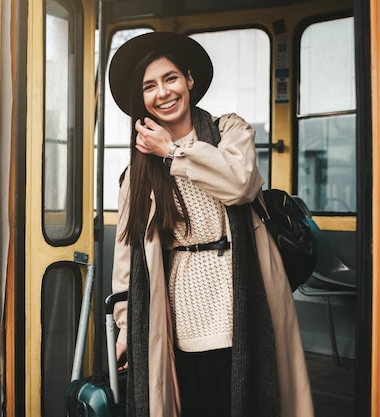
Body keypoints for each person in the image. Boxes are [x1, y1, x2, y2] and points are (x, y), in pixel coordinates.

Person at [108, 31, 313, 417]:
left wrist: (171, 151)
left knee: (244, 399)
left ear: (189, 79)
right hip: (177, 314)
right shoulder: (136, 173)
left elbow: (240, 184)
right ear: (142, 100)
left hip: (242, 300)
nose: (163, 93)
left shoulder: (228, 131)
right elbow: (126, 257)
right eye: (149, 86)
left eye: (170, 78)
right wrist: (124, 327)